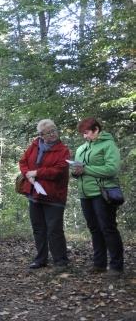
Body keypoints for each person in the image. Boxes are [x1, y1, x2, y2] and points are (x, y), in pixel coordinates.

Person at [71, 117, 124, 278]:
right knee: (94, 229)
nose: (85, 136)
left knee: (108, 228)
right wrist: (75, 172)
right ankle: (99, 263)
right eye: (83, 134)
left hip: (103, 193)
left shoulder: (109, 145)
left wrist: (86, 169)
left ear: (96, 130)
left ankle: (116, 266)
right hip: (85, 194)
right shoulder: (81, 149)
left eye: (87, 133)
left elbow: (111, 169)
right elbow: (77, 168)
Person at [19, 119, 70, 271]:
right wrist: (28, 174)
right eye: (48, 132)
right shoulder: (34, 145)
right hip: (34, 192)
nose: (53, 134)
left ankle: (61, 262)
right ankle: (41, 259)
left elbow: (59, 170)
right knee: (38, 227)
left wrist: (37, 172)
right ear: (41, 135)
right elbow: (23, 162)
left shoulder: (63, 150)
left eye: (53, 130)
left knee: (54, 229)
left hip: (54, 195)